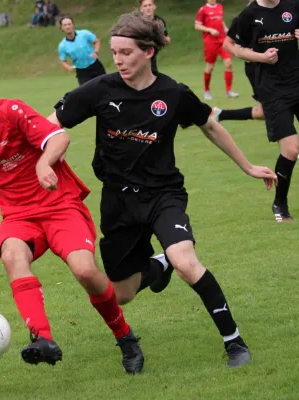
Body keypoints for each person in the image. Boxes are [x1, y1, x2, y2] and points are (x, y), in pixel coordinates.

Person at [47, 12, 278, 368]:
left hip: (162, 194)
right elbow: (50, 125)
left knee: (187, 262)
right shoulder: (99, 89)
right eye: (114, 52)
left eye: (126, 52)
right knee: (121, 294)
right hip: (118, 201)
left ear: (148, 51)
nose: (118, 60)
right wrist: (41, 159)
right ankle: (159, 266)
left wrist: (247, 166)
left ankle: (234, 341)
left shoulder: (172, 93)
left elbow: (210, 127)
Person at [0, 73, 144, 374]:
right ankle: (43, 339)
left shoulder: (13, 112)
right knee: (12, 256)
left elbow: (60, 137)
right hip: (18, 215)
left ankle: (124, 337)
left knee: (85, 271)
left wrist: (43, 163)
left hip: (60, 206)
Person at [234, 0, 299, 222]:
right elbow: (237, 49)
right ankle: (280, 202)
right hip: (272, 90)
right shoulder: (249, 14)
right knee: (291, 150)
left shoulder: (294, 5)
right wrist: (262, 57)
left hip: (297, 82)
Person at [211, 9, 265, 123]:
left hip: (282, 67)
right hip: (257, 69)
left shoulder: (280, 10)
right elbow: (227, 44)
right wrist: (248, 55)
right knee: (266, 112)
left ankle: (221, 114)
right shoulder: (244, 16)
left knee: (263, 113)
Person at [195, 0, 239, 99]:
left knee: (229, 63)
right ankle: (206, 90)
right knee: (210, 67)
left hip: (222, 40)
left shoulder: (220, 6)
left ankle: (229, 91)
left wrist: (225, 28)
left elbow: (220, 20)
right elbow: (197, 25)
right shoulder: (203, 10)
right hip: (210, 42)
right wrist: (209, 30)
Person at [58, 17, 106, 85]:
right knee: (86, 92)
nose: (68, 27)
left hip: (95, 65)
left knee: (104, 86)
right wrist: (69, 67)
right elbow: (63, 61)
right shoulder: (62, 45)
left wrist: (96, 52)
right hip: (81, 71)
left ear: (73, 25)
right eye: (65, 25)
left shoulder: (84, 34)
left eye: (69, 24)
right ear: (61, 28)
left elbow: (96, 41)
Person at [139, 0, 171, 73]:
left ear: (154, 6)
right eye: (145, 6)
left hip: (152, 53)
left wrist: (162, 39)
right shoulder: (138, 21)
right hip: (140, 54)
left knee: (153, 73)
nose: (148, 8)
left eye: (150, 5)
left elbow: (167, 38)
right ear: (141, 9)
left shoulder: (159, 21)